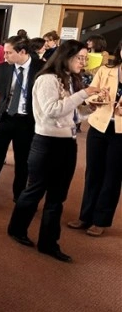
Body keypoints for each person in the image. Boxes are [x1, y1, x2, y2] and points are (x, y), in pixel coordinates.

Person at [7, 40, 102, 263]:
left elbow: (71, 115)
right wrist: (83, 94)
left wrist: (89, 109)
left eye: (85, 58)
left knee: (58, 197)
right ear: (66, 57)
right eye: (80, 58)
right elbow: (51, 111)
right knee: (34, 191)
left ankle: (49, 243)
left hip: (67, 143)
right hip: (46, 142)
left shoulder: (68, 79)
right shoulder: (47, 79)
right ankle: (17, 228)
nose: (83, 62)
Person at [67, 39, 122, 237]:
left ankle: (100, 220)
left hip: (120, 132)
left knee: (112, 176)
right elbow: (90, 93)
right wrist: (97, 99)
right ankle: (85, 216)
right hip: (99, 125)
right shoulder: (106, 70)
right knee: (93, 173)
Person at [0, 36, 45, 204]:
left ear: (22, 52)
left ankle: (20, 196)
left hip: (27, 121)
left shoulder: (41, 68)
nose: (5, 56)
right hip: (4, 118)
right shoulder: (4, 68)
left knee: (23, 161)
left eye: (9, 53)